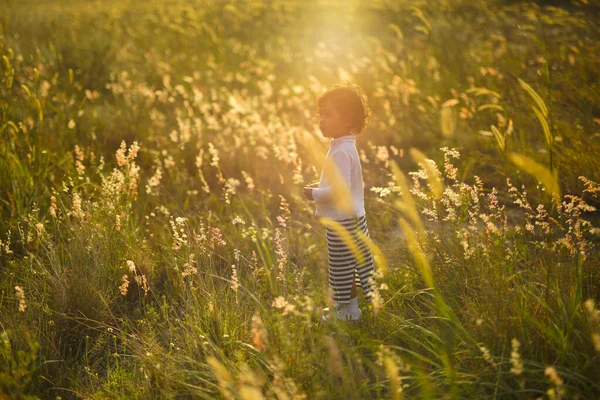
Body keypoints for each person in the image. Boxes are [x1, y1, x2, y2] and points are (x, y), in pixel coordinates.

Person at [303, 82, 375, 322]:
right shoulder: (342, 147)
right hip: (349, 218)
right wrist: (320, 186)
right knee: (347, 267)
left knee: (342, 269)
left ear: (348, 121)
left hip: (343, 221)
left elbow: (339, 191)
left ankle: (349, 313)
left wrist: (314, 194)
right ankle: (348, 310)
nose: (322, 120)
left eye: (329, 115)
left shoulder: (342, 151)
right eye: (320, 114)